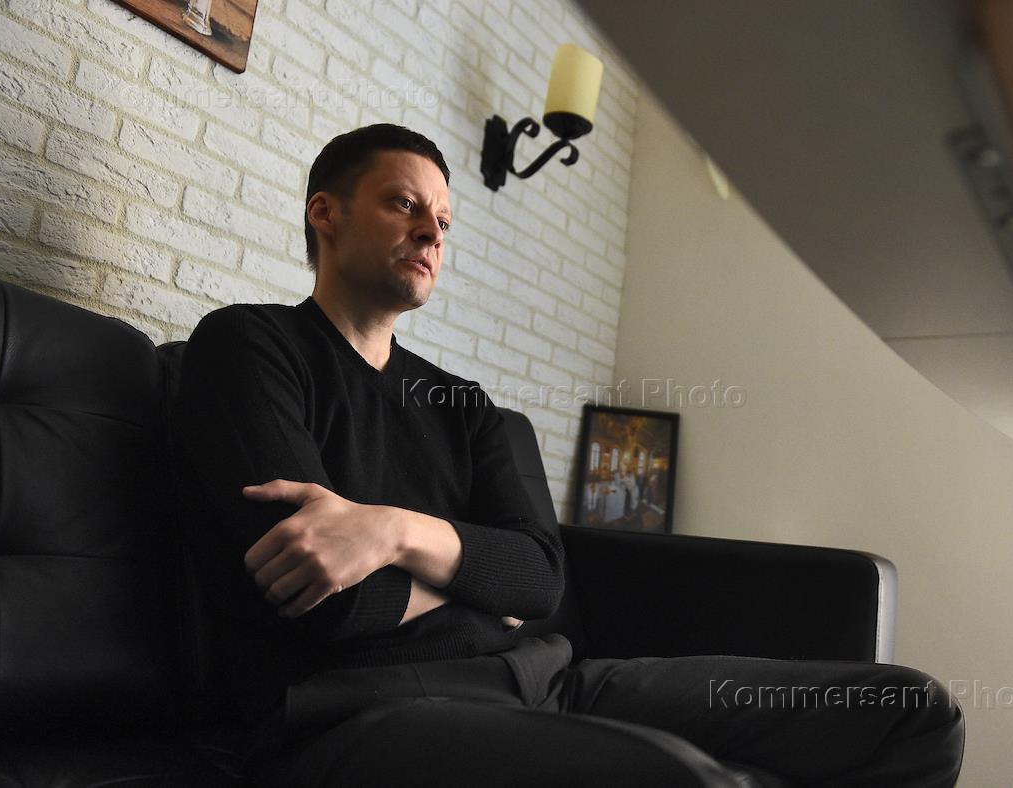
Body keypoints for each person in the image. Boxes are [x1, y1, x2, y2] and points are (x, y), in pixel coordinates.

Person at [172, 124, 964, 787]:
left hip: (543, 679)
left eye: (444, 220)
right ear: (326, 213)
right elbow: (330, 601)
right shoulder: (250, 346)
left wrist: (392, 532)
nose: (432, 234)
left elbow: (540, 580)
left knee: (910, 715)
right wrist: (479, 581)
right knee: (677, 778)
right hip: (355, 711)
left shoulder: (464, 405)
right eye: (404, 205)